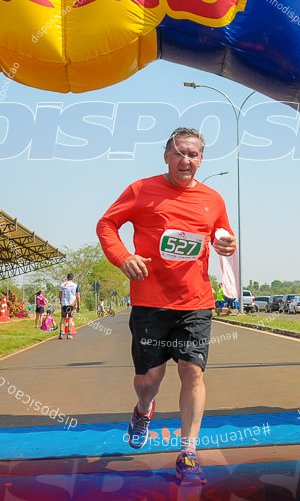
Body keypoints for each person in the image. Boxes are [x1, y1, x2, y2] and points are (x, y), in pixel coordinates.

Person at [97, 127, 236, 486]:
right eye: (179, 153)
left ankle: (188, 453)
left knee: (193, 372)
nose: (185, 160)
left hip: (195, 301)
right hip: (150, 302)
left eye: (193, 154)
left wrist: (227, 246)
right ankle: (144, 409)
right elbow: (107, 224)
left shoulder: (213, 199)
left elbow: (223, 236)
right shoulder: (141, 190)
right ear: (166, 155)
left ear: (201, 160)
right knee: (149, 380)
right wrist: (122, 257)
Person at [58, 273, 81, 339]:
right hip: (72, 304)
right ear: (73, 278)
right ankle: (69, 334)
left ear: (67, 278)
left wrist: (61, 302)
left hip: (64, 303)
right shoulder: (75, 285)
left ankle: (61, 334)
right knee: (70, 317)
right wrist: (79, 305)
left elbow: (60, 295)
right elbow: (78, 296)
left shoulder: (62, 285)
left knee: (63, 318)